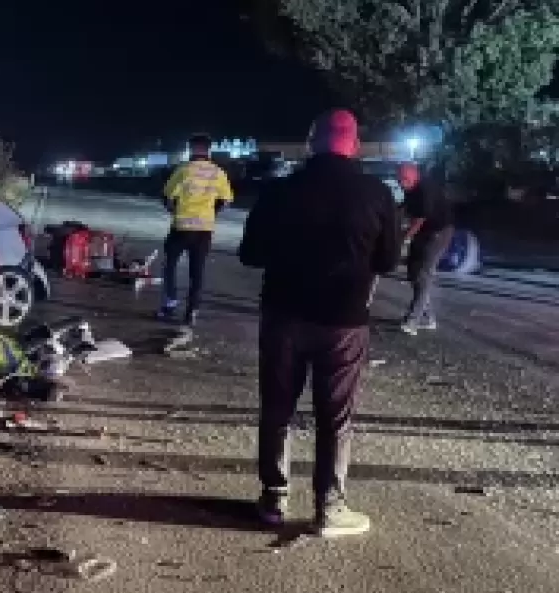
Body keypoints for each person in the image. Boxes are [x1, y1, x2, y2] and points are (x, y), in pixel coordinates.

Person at [237, 109, 401, 538]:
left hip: (284, 314)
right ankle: (330, 507)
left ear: (311, 144)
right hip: (344, 321)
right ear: (355, 145)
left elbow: (250, 254)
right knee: (335, 417)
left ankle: (273, 498)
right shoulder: (377, 193)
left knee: (278, 409)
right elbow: (388, 260)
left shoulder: (279, 191)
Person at [158, 133, 234, 326]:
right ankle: (192, 311)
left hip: (181, 227)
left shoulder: (184, 170)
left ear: (192, 148)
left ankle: (170, 303)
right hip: (204, 229)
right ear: (208, 149)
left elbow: (167, 196)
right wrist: (212, 213)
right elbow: (226, 200)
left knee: (170, 264)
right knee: (197, 271)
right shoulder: (218, 172)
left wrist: (174, 210)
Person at [397, 162, 454, 335]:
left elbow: (419, 219)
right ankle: (428, 318)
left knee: (423, 274)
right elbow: (404, 209)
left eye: (404, 179)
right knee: (413, 272)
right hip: (424, 232)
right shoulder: (410, 189)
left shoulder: (425, 189)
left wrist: (404, 238)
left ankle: (413, 320)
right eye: (399, 179)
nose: (401, 183)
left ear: (415, 175)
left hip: (439, 232)